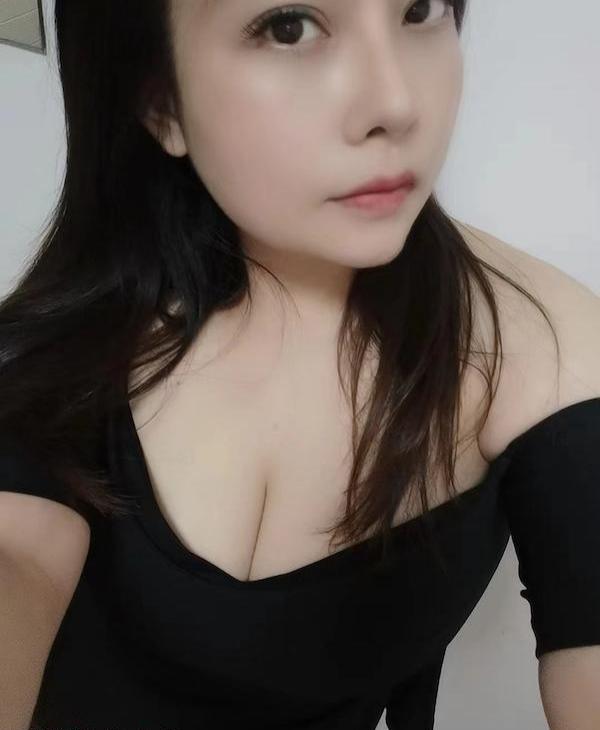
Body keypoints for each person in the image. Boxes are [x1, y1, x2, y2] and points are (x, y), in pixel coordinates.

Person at [0, 1, 599, 728]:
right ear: (160, 100)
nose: (396, 104)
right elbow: (17, 558)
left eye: (419, 9)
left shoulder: (549, 353)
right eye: (289, 27)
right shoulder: (62, 348)